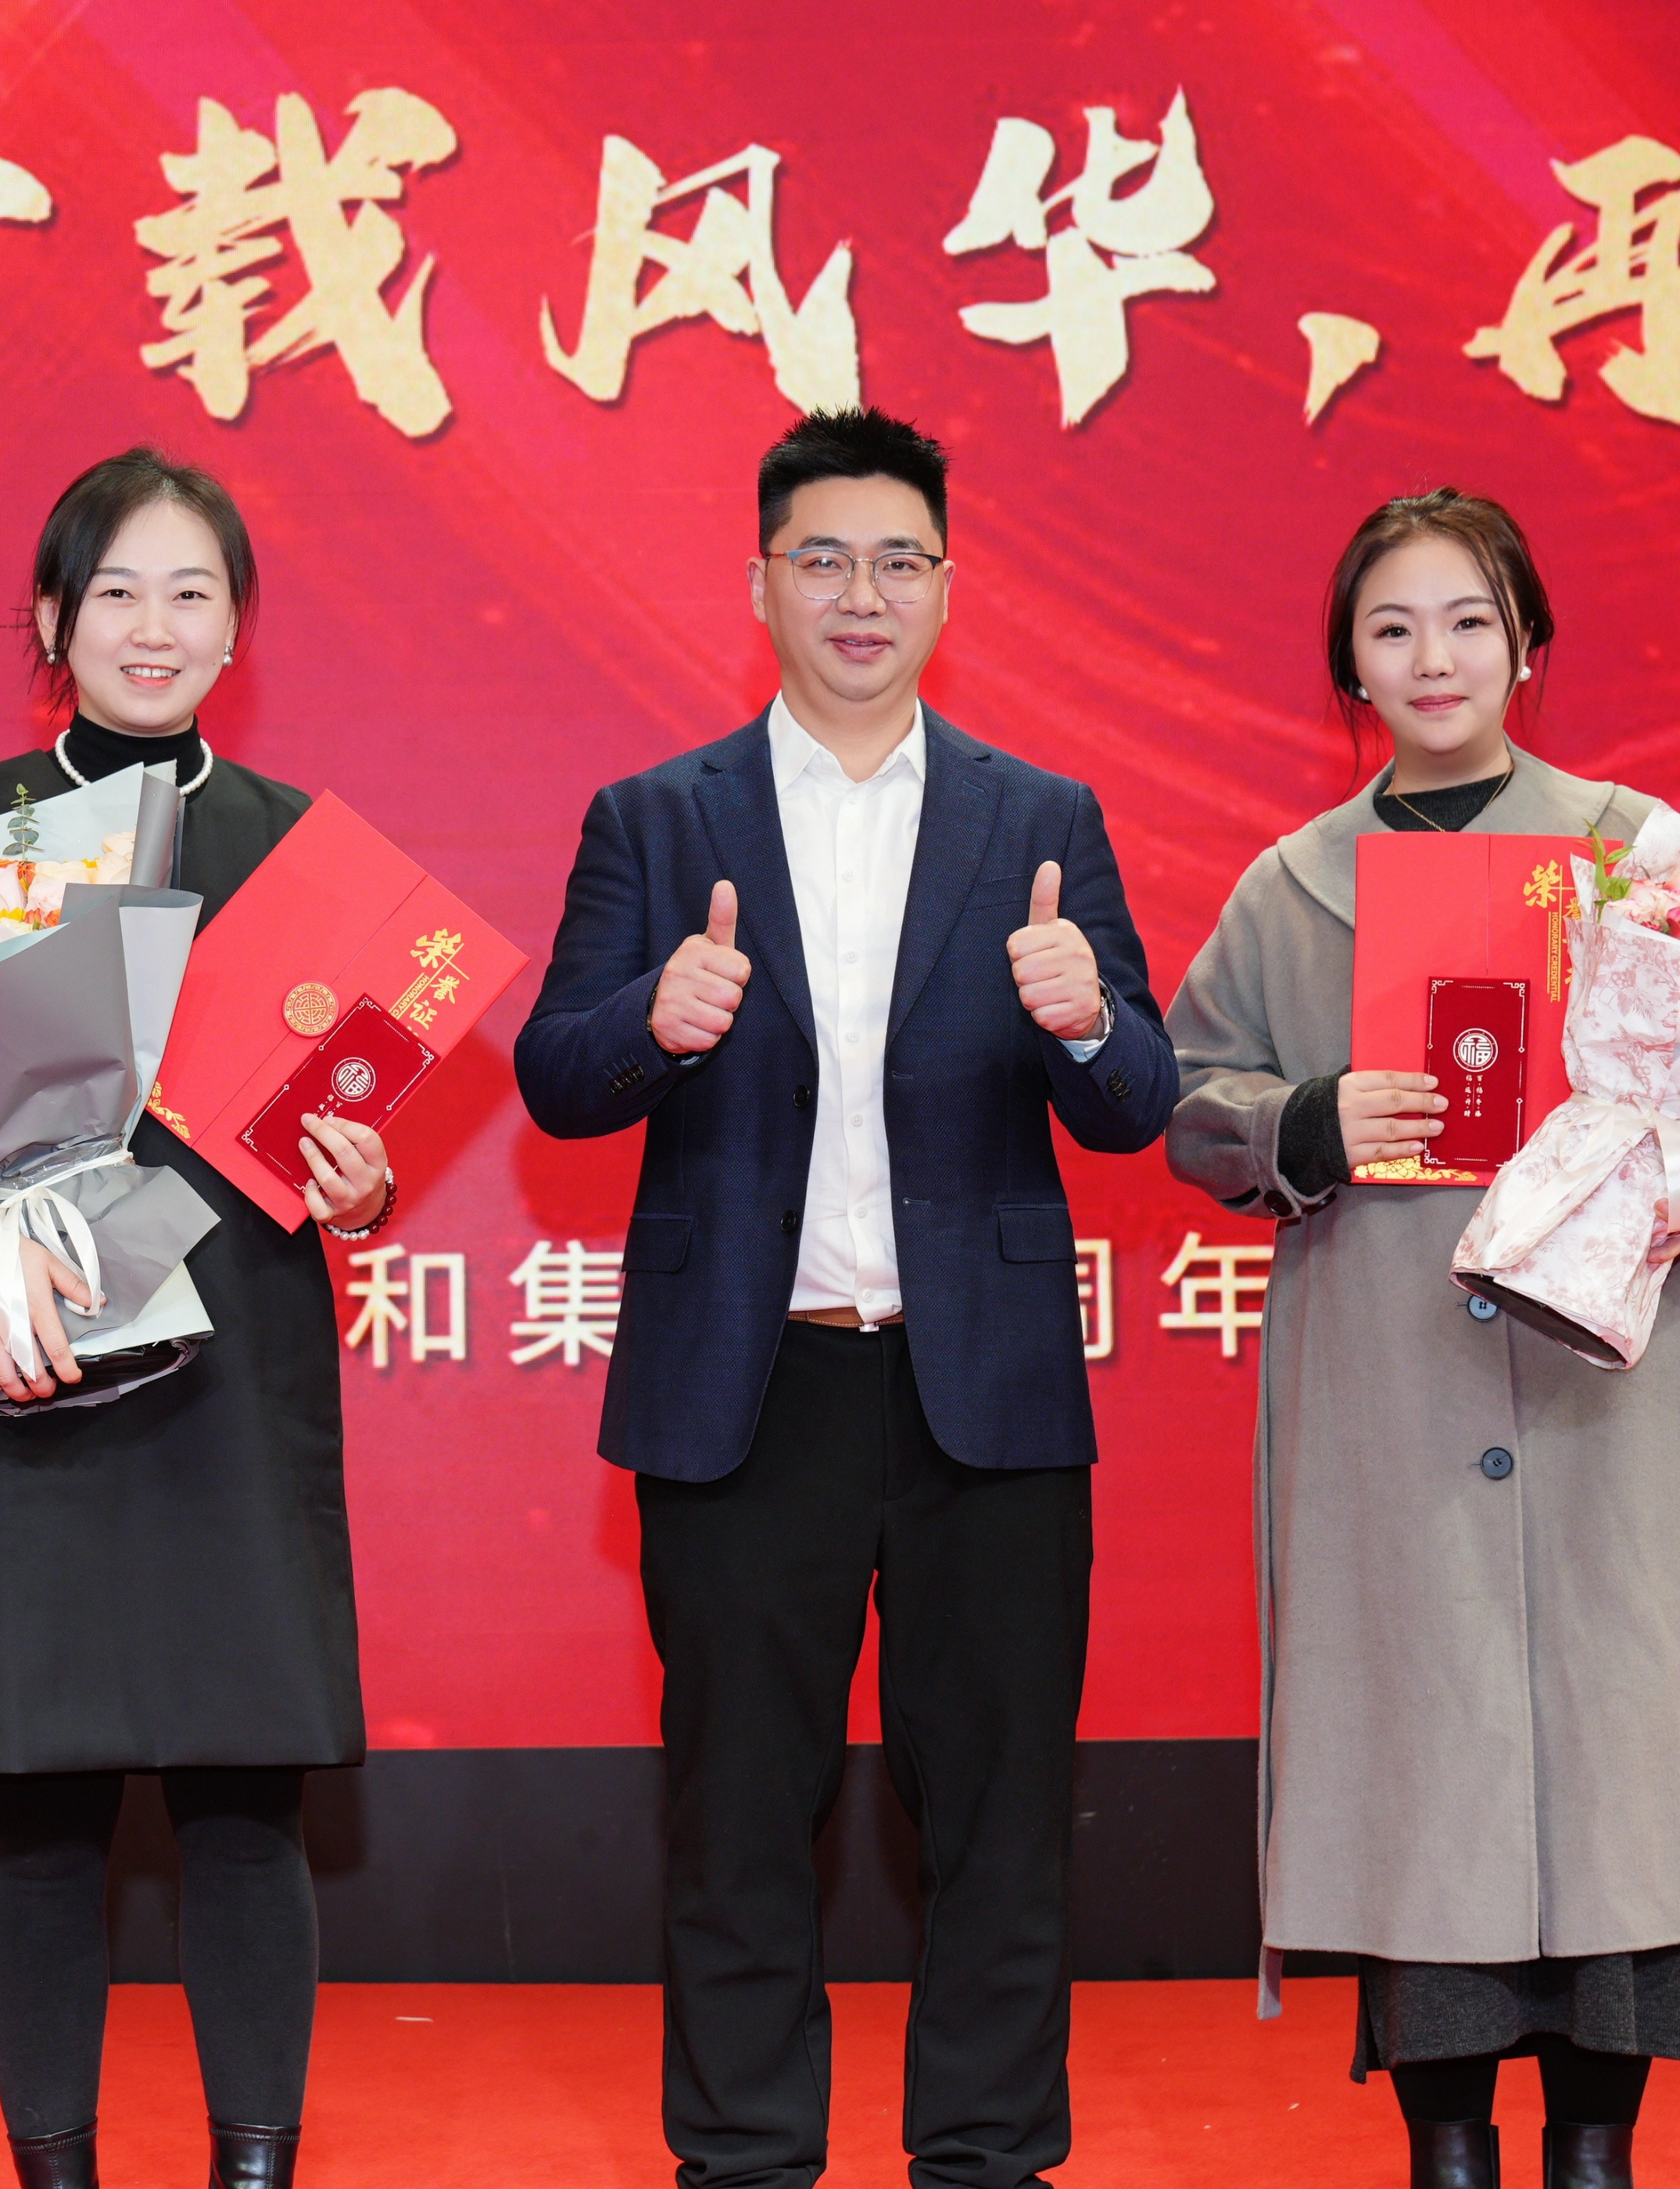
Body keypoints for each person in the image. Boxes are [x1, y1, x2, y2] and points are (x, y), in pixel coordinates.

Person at [514, 408, 1177, 2189]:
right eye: (822, 558)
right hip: (751, 1393)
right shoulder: (658, 818)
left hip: (988, 1397)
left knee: (1002, 1817)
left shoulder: (1043, 818)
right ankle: (742, 2160)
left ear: (948, 589)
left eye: (898, 560)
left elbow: (1140, 1107)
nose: (860, 593)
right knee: (739, 1813)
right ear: (761, 585)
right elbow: (554, 1077)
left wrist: (1087, 1018)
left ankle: (986, 2158)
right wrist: (652, 1022)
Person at [1163, 489, 1680, 2189]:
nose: (1435, 657)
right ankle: (1446, 2149)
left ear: (1528, 642)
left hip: (1625, 1408)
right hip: (1401, 1403)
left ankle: (1599, 2149)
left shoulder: (1644, 853)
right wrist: (1307, 1117)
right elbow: (1189, 1102)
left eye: (1469, 619)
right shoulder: (1289, 889)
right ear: (1350, 667)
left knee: (1623, 1785)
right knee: (1428, 1781)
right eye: (1392, 628)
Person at [0, 447, 387, 2189]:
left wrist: (360, 1187)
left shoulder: (301, 852)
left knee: (248, 1801)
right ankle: (51, 2170)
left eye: (192, 592)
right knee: (40, 1807)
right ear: (55, 619)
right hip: (32, 1358)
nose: (155, 625)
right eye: (117, 590)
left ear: (237, 628)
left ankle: (254, 2169)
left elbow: (338, 1138)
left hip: (238, 1378)